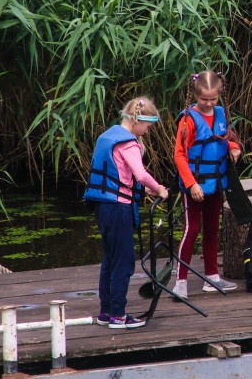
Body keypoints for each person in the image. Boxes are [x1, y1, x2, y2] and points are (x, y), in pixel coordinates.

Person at [83, 96, 170, 330]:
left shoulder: (108, 136)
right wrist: (159, 189)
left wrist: (143, 191)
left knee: (110, 260)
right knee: (124, 262)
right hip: (118, 208)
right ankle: (119, 315)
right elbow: (140, 174)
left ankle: (106, 311)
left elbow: (122, 175)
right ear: (136, 121)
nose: (147, 132)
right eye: (147, 127)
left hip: (102, 206)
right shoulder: (129, 143)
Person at [171, 70, 243, 299]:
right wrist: (192, 185)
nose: (209, 103)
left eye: (213, 99)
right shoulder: (188, 120)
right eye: (204, 99)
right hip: (194, 185)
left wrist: (234, 147)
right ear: (195, 95)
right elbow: (179, 156)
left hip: (215, 183)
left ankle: (212, 278)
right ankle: (180, 282)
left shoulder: (221, 114)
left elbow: (229, 137)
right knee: (191, 230)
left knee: (213, 230)